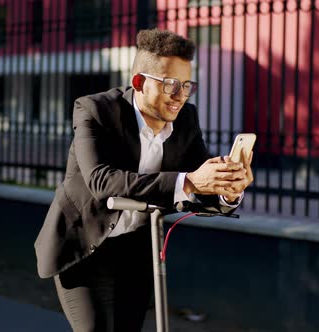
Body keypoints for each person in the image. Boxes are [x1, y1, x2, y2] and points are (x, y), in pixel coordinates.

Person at [34, 28, 254, 331]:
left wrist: (228, 189)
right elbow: (102, 182)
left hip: (135, 254)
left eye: (188, 85)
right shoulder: (95, 110)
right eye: (170, 85)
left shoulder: (186, 120)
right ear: (139, 82)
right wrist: (189, 181)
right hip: (83, 249)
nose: (180, 95)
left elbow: (202, 185)